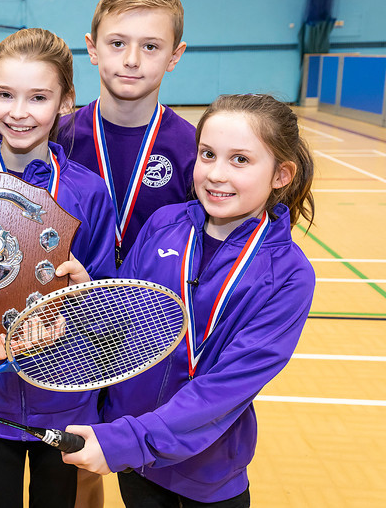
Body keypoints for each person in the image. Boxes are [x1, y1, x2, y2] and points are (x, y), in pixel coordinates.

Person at [62, 94, 317, 507]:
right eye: (208, 154)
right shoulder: (164, 224)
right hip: (136, 460)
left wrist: (130, 439)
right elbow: (122, 324)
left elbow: (226, 387)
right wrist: (83, 301)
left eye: (240, 160)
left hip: (207, 473)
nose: (216, 174)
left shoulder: (288, 276)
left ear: (281, 175)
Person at [0, 28, 117, 508]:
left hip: (65, 396)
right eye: (5, 94)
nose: (19, 111)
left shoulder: (87, 191)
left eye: (38, 97)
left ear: (65, 102)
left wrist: (70, 310)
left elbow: (103, 297)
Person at [60, 0, 196, 270]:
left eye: (150, 46)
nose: (132, 60)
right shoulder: (56, 138)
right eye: (118, 43)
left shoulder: (193, 149)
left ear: (174, 56)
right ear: (93, 48)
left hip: (155, 308)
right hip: (64, 308)